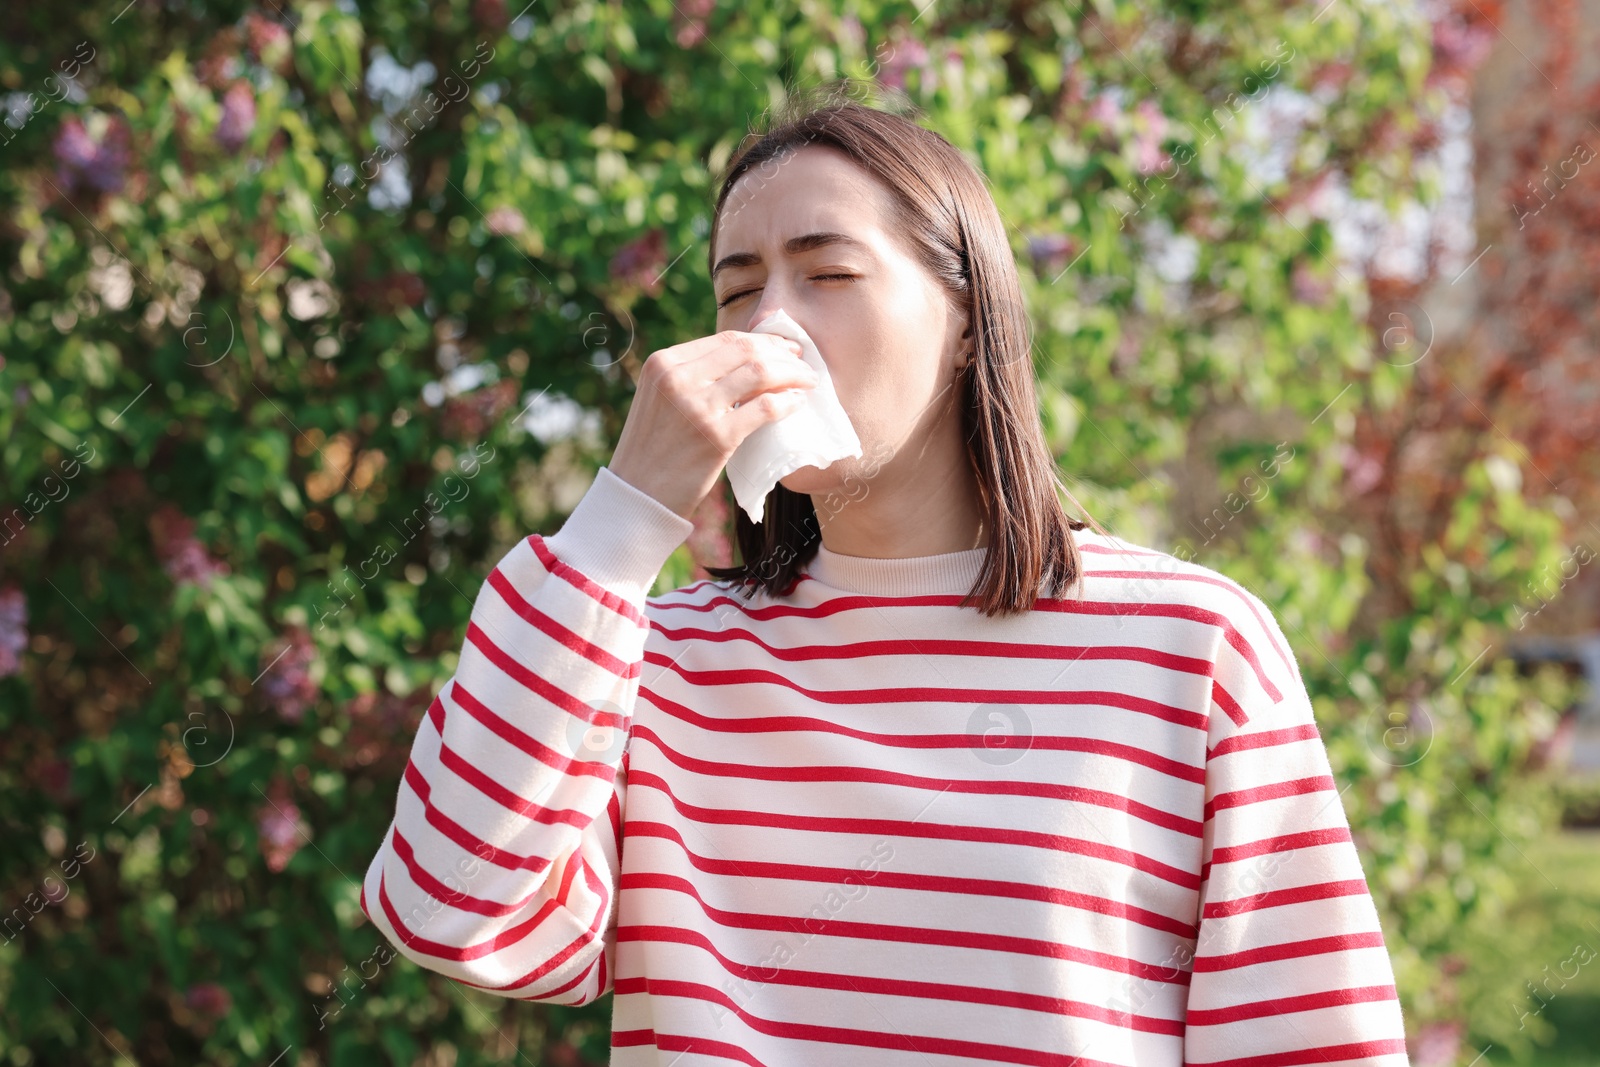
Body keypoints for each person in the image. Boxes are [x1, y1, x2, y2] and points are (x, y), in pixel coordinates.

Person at [360, 85, 1412, 1066]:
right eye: (737, 290)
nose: (771, 325)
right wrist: (619, 519)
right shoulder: (659, 662)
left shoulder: (1188, 646)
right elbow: (445, 910)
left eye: (827, 274)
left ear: (964, 321)